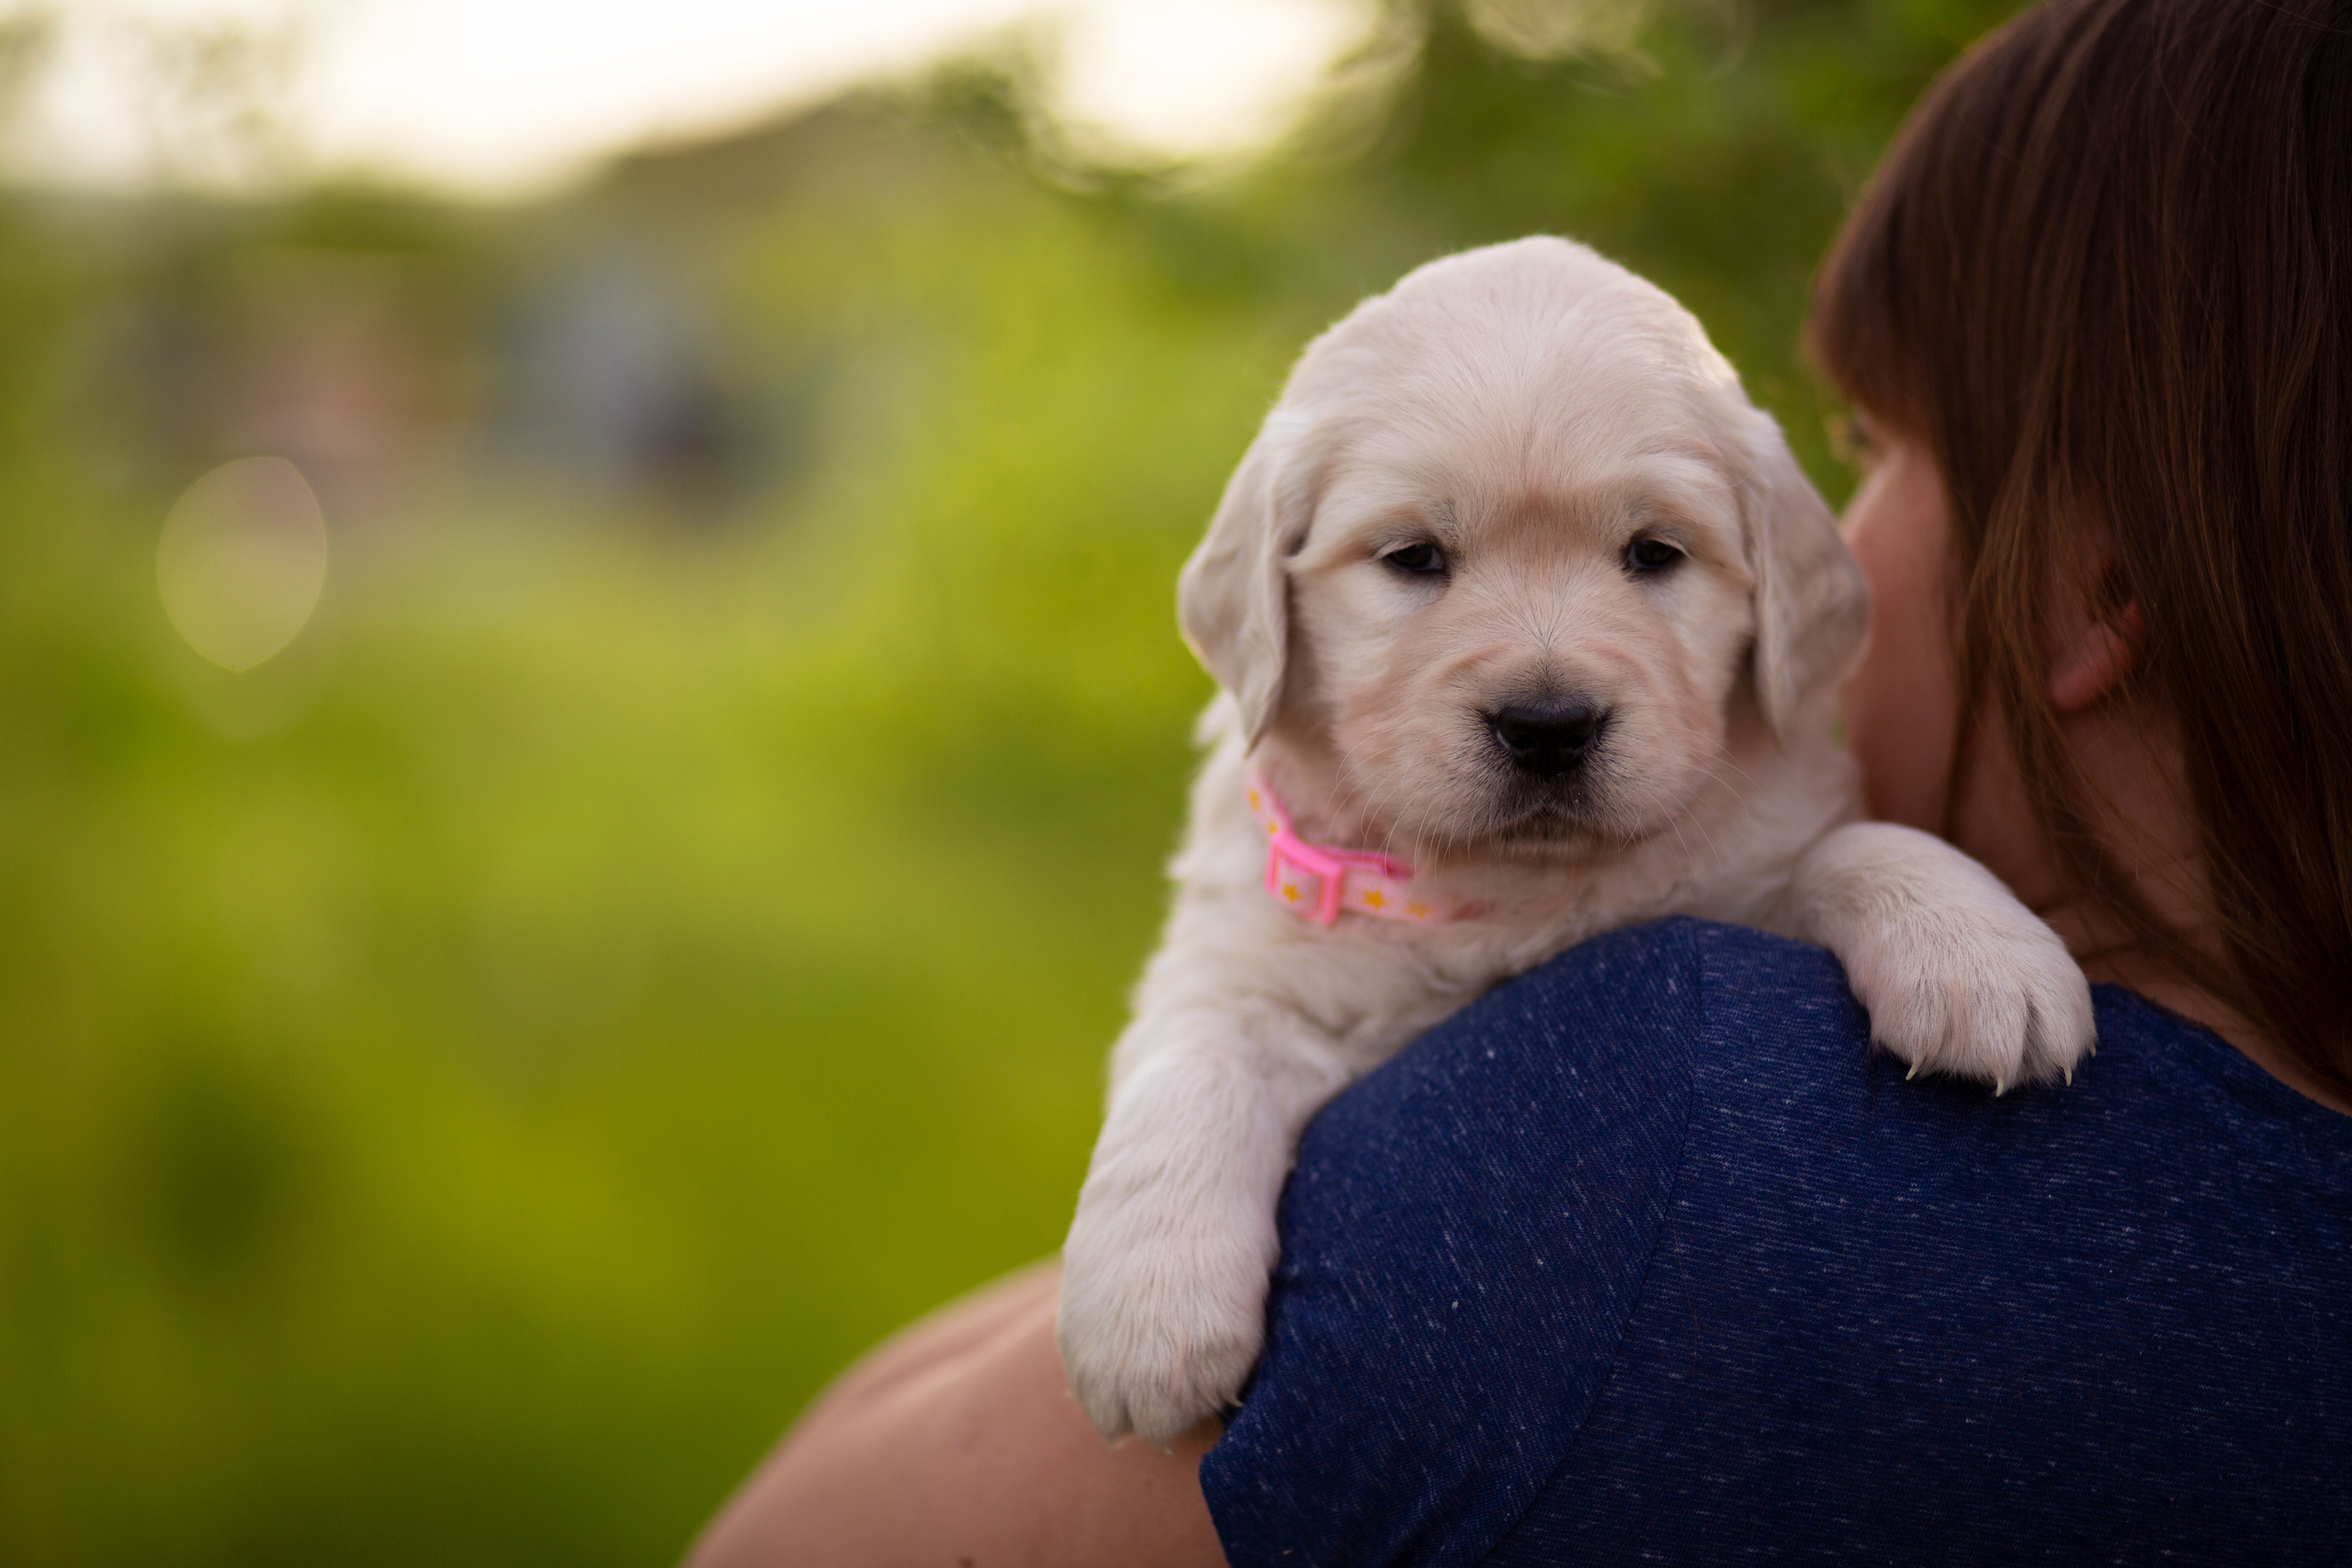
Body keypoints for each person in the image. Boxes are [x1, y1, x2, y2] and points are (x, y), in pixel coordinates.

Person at [684, 0, 2352, 1560]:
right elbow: (1240, 1004)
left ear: (1778, 577)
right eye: (1417, 555)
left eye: (1653, 552)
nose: (1550, 680)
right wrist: (1195, 1144)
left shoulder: (1647, 1143)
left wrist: (1885, 881)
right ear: (1259, 611)